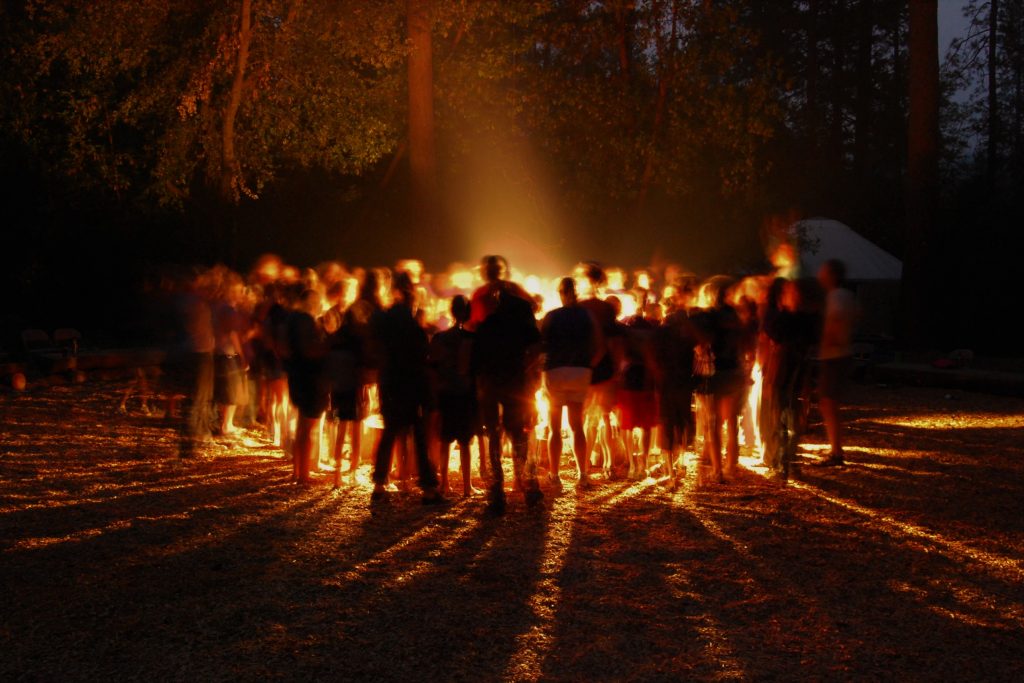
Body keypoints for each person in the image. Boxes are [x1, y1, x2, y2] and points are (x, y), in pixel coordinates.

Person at [370, 272, 442, 504]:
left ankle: (379, 484)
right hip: (411, 382)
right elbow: (421, 354)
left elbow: (377, 348)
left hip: (390, 381)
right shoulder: (411, 325)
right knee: (419, 435)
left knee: (390, 432)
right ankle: (428, 487)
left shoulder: (383, 320)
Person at [473, 285, 544, 514]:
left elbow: (477, 360)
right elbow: (538, 347)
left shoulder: (488, 325)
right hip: (516, 386)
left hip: (491, 386)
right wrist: (529, 369)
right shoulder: (522, 324)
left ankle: (496, 494)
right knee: (519, 436)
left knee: (493, 436)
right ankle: (529, 486)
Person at [540, 277, 600, 491]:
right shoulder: (587, 316)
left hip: (555, 371)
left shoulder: (551, 316)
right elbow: (598, 343)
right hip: (580, 371)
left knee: (555, 428)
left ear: (560, 293)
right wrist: (589, 365)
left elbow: (541, 344)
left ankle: (555, 475)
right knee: (577, 426)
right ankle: (582, 475)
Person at [428, 295, 478, 497]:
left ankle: (444, 483)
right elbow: (474, 369)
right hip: (465, 393)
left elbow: (433, 365)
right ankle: (467, 487)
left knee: (445, 439)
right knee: (465, 442)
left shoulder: (440, 338)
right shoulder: (471, 339)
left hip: (445, 392)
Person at [579, 263, 622, 478]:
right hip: (604, 369)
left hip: (584, 369)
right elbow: (614, 341)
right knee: (605, 419)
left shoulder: (580, 307)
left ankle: (584, 466)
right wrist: (616, 368)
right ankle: (609, 464)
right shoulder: (605, 309)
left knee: (587, 421)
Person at [814, 259, 859, 467]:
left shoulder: (836, 296)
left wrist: (829, 340)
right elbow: (858, 314)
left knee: (828, 403)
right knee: (829, 402)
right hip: (841, 353)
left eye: (823, 272)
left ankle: (836, 452)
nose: (819, 275)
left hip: (834, 355)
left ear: (832, 275)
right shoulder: (848, 295)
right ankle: (835, 447)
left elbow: (837, 317)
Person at [285, 289, 329, 485]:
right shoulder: (307, 321)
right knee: (309, 428)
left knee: (302, 426)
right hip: (310, 378)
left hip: (297, 376)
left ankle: (297, 471)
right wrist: (328, 344)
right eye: (318, 301)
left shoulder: (292, 319)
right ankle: (304, 475)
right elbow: (309, 350)